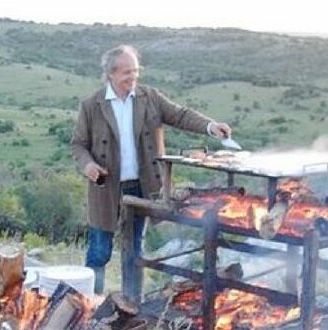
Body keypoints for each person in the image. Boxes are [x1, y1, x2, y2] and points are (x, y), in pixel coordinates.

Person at [71, 44, 232, 294]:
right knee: (99, 252)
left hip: (142, 186)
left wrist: (210, 127)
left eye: (136, 71)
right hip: (106, 188)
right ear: (110, 74)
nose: (133, 77)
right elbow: (79, 145)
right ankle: (89, 304)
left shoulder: (150, 97)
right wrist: (88, 165)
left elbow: (181, 115)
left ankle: (132, 305)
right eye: (127, 72)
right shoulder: (92, 105)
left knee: (135, 250)